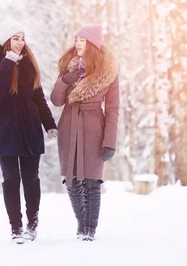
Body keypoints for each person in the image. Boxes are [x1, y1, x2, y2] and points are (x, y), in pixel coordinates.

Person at [0, 21, 58, 244]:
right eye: (15, 38)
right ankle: (16, 227)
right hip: (5, 129)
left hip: (30, 128)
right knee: (11, 179)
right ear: (6, 41)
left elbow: (38, 98)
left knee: (31, 178)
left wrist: (49, 124)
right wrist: (8, 61)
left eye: (22, 38)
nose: (20, 42)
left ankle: (32, 224)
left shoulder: (29, 65)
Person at [50, 24, 120, 241]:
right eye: (76, 39)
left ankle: (90, 229)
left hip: (93, 128)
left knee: (91, 180)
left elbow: (113, 109)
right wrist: (64, 81)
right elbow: (56, 100)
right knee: (71, 179)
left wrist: (110, 141)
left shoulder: (108, 72)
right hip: (69, 126)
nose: (77, 43)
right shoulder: (69, 68)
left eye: (82, 39)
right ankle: (81, 225)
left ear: (92, 44)